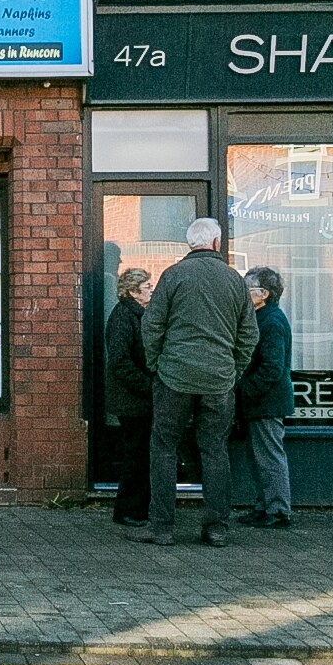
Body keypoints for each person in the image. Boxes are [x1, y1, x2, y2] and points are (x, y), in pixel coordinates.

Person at [136, 217, 257, 547]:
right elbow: (249, 334)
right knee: (215, 450)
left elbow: (152, 326)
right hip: (219, 379)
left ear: (191, 245)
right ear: (217, 243)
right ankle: (216, 528)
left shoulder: (173, 276)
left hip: (174, 376)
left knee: (164, 447)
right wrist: (234, 369)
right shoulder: (234, 280)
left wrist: (156, 365)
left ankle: (161, 526)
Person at [234, 266, 294, 529]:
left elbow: (272, 368)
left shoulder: (271, 322)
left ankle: (278, 510)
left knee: (269, 457)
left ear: (264, 294)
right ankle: (264, 505)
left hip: (266, 403)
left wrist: (244, 390)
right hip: (259, 403)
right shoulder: (262, 318)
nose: (243, 294)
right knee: (260, 457)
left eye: (248, 289)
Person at [105, 267, 156, 526]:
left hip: (137, 399)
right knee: (136, 457)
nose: (151, 290)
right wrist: (148, 386)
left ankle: (136, 509)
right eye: (147, 286)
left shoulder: (135, 314)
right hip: (133, 401)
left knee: (140, 455)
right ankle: (128, 511)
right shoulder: (125, 316)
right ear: (133, 291)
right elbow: (120, 360)